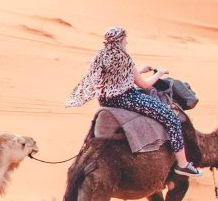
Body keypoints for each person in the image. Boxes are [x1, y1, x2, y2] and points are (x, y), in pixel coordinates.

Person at [66, 27, 201, 177]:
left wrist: (138, 71)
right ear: (120, 40)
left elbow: (114, 79)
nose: (126, 42)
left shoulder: (100, 56)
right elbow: (144, 85)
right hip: (125, 99)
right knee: (171, 119)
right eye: (125, 40)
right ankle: (182, 164)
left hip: (106, 99)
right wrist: (159, 73)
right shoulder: (124, 58)